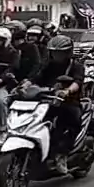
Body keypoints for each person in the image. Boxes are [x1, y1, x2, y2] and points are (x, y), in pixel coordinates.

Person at [32, 34, 84, 175]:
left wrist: (67, 91)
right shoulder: (48, 65)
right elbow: (36, 78)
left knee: (71, 123)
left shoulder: (76, 66)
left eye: (59, 53)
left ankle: (62, 155)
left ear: (67, 53)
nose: (56, 55)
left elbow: (77, 82)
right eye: (54, 52)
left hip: (69, 102)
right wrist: (25, 84)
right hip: (46, 100)